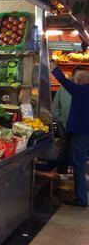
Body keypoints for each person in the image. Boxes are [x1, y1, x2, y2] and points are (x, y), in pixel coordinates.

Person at [51, 59, 89, 207]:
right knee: (75, 157)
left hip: (81, 132)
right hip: (80, 132)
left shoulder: (80, 90)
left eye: (76, 80)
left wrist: (53, 66)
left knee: (79, 164)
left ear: (79, 81)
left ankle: (81, 199)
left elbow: (62, 80)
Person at [53, 66, 81, 174]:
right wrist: (62, 121)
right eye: (77, 76)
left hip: (79, 129)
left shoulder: (84, 91)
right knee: (65, 150)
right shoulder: (63, 88)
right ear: (73, 76)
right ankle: (62, 173)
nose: (79, 79)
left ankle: (71, 173)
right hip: (64, 127)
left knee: (75, 152)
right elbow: (55, 108)